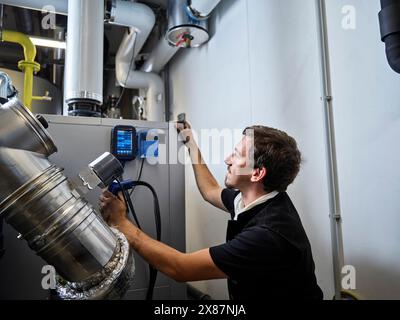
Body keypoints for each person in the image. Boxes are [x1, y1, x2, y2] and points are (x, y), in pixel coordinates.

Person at [99, 123, 323, 300]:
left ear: (257, 174)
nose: (227, 159)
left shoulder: (267, 236)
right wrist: (191, 145)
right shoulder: (257, 197)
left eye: (236, 156)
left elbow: (182, 268)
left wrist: (122, 223)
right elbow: (210, 190)